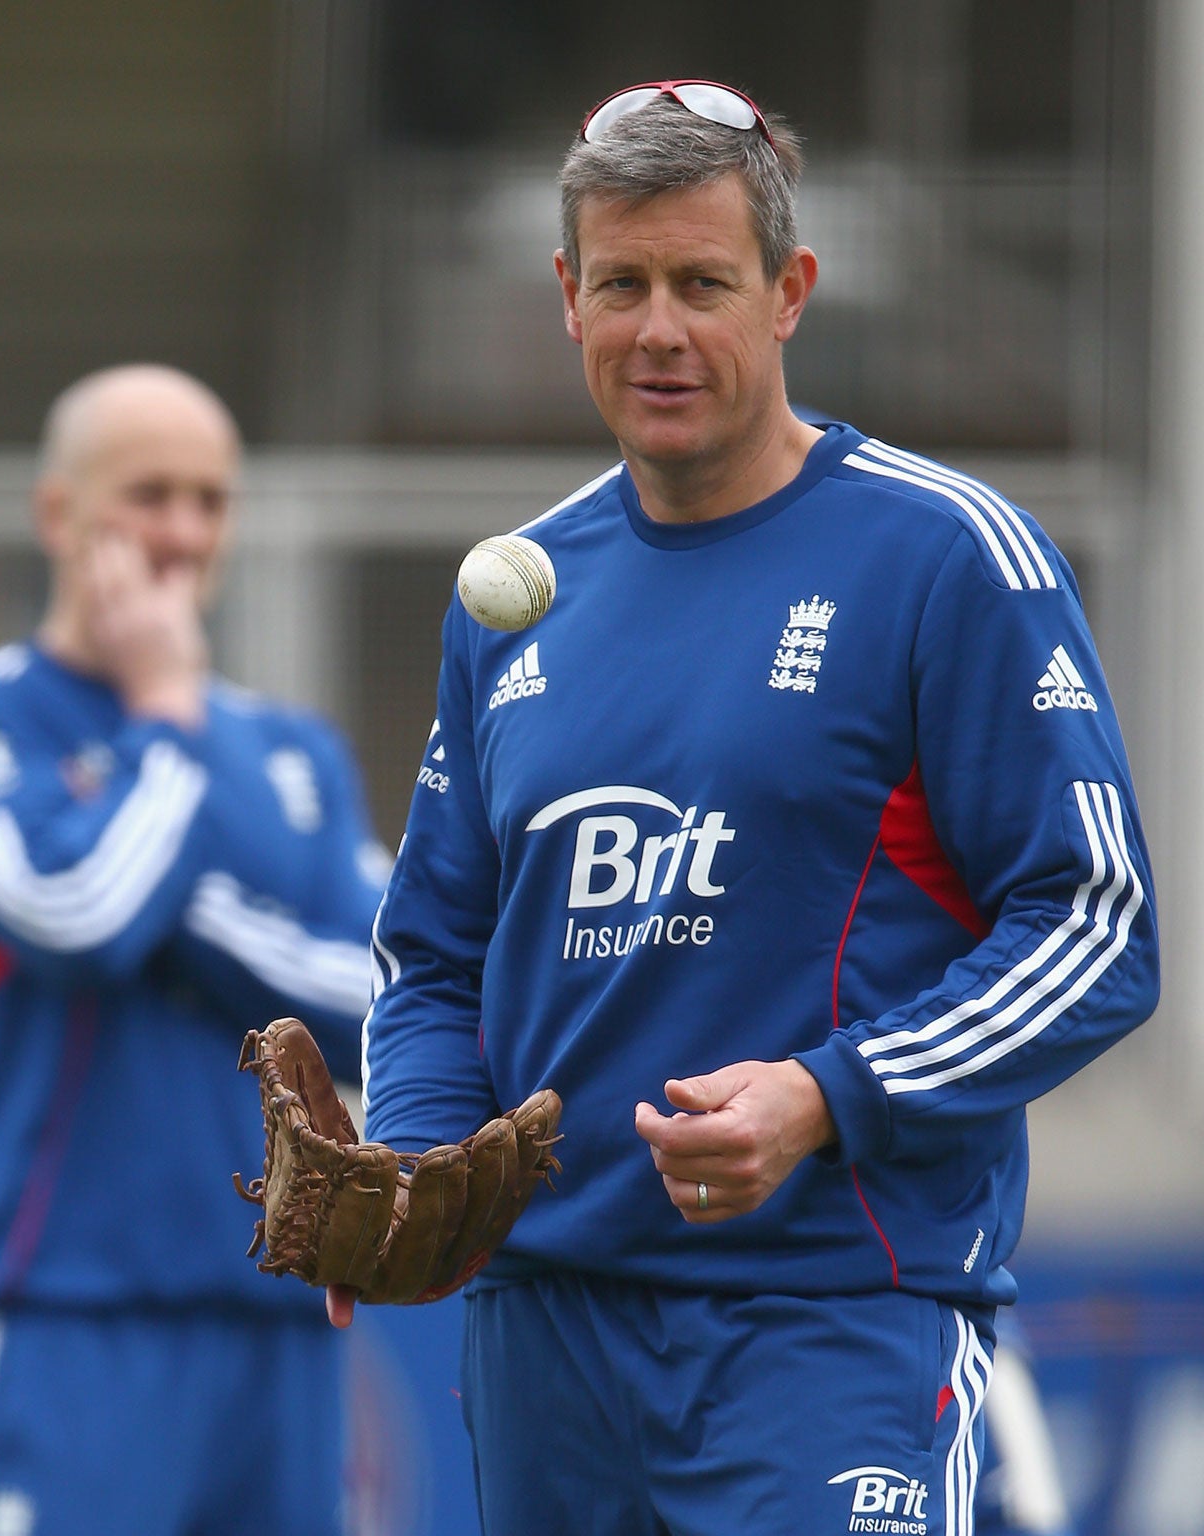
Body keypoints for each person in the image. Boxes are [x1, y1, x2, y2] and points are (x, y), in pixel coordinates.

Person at [354, 81, 1158, 1535]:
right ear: (567, 296)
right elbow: (434, 959)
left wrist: (825, 1098)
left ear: (789, 293)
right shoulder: (514, 600)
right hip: (549, 1344)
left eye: (703, 284)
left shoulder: (946, 556)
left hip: (831, 1321)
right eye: (624, 284)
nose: (660, 328)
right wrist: (416, 1161)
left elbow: (1098, 928)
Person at [0, 364, 387, 1536]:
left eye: (209, 500)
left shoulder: (294, 756)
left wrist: (191, 926)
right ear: (59, 514)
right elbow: (76, 916)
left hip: (280, 1321)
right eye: (146, 495)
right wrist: (165, 709)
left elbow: (382, 995)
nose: (182, 531)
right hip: (55, 1308)